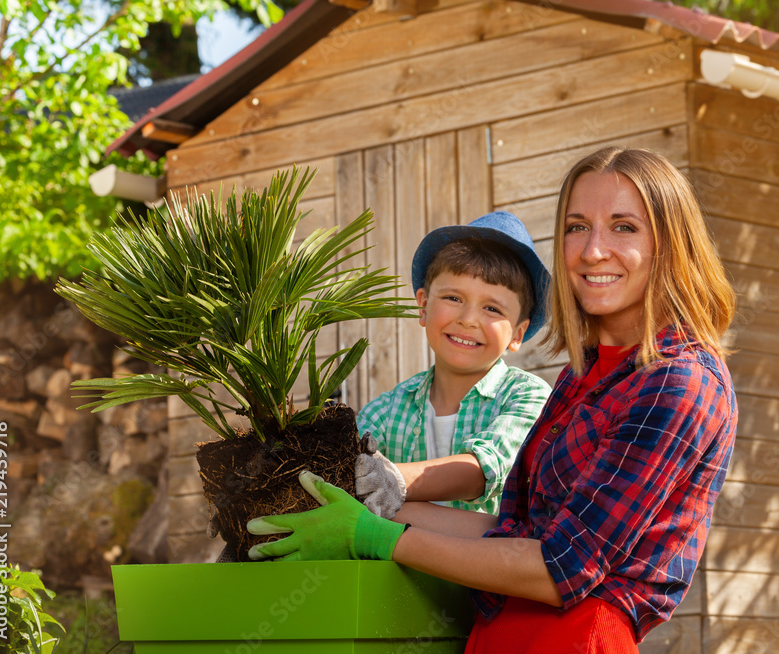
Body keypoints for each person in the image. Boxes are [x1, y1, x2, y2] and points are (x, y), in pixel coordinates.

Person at [246, 146, 738, 651]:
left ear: (671, 245)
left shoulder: (677, 383)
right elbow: (512, 533)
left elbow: (560, 570)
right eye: (575, 226)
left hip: (572, 638)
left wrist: (376, 537)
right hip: (498, 631)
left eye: (623, 227)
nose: (592, 250)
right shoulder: (586, 375)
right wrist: (368, 508)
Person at [354, 211, 553, 518]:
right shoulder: (384, 413)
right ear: (422, 305)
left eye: (492, 308)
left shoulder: (528, 397)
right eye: (453, 297)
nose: (468, 319)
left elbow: (481, 470)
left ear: (517, 334)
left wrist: (392, 479)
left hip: (490, 565)